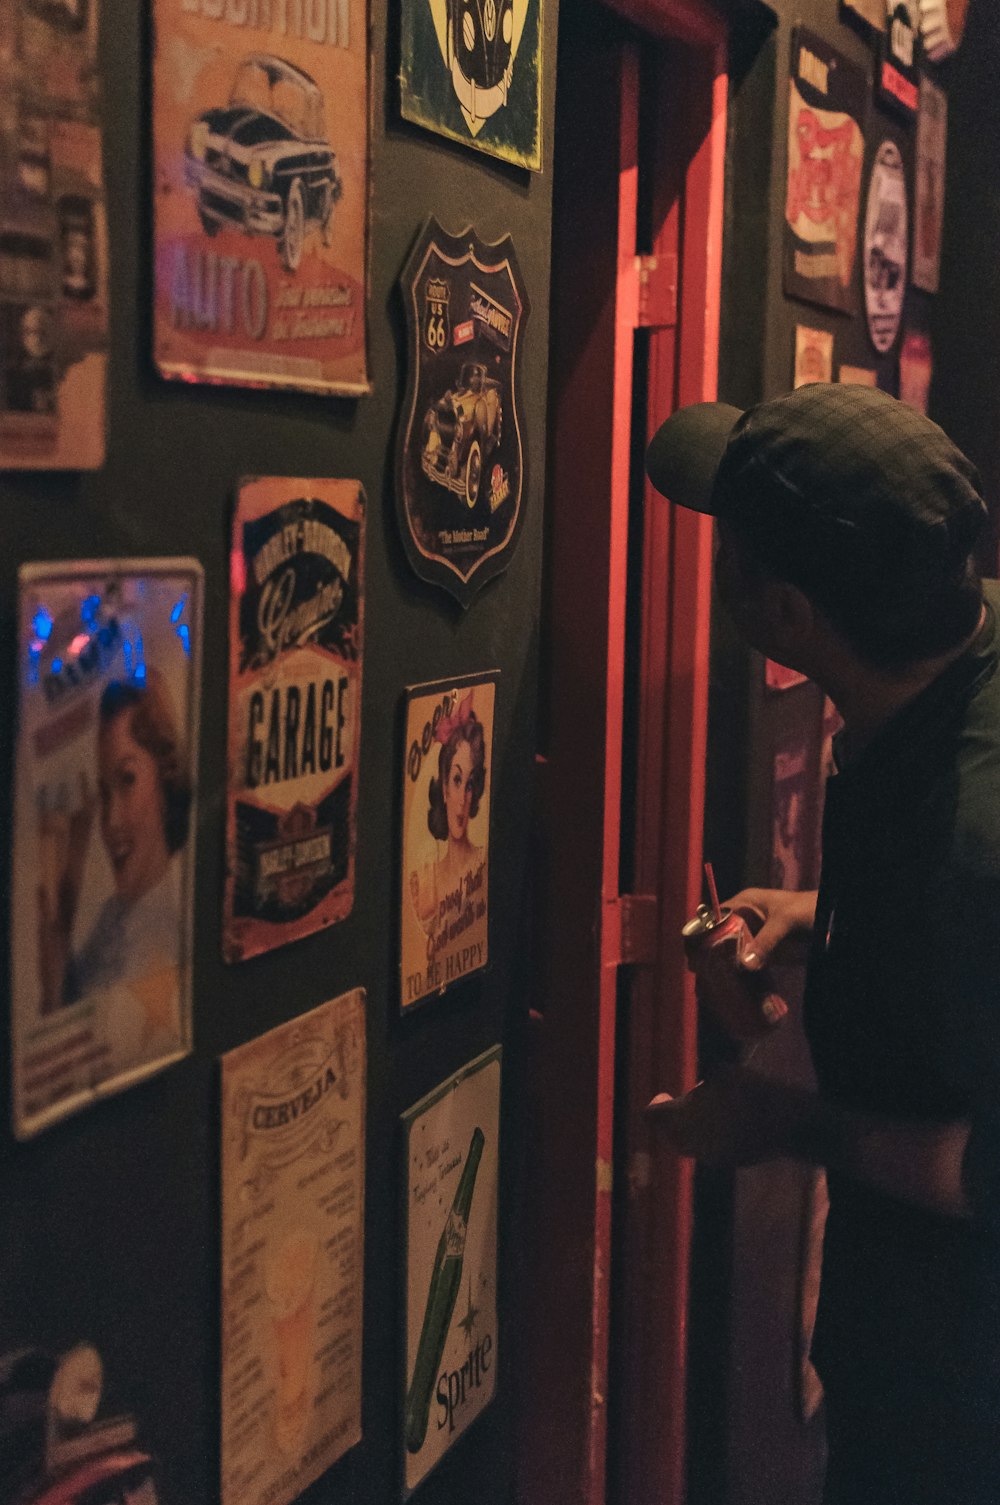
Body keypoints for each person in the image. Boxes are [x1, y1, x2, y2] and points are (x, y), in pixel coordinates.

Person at [644, 382, 1000, 1504]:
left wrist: (785, 1121)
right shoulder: (961, 649)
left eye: (730, 548)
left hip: (956, 1395)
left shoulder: (970, 848)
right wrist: (809, 918)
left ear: (786, 614)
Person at [37, 668, 193, 1063]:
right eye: (105, 793)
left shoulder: (166, 920)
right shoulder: (116, 914)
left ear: (166, 775)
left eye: (127, 779)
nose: (111, 823)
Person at [409, 692, 487, 937]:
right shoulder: (423, 881)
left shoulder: (484, 863)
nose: (463, 797)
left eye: (470, 783)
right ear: (444, 788)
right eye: (456, 780)